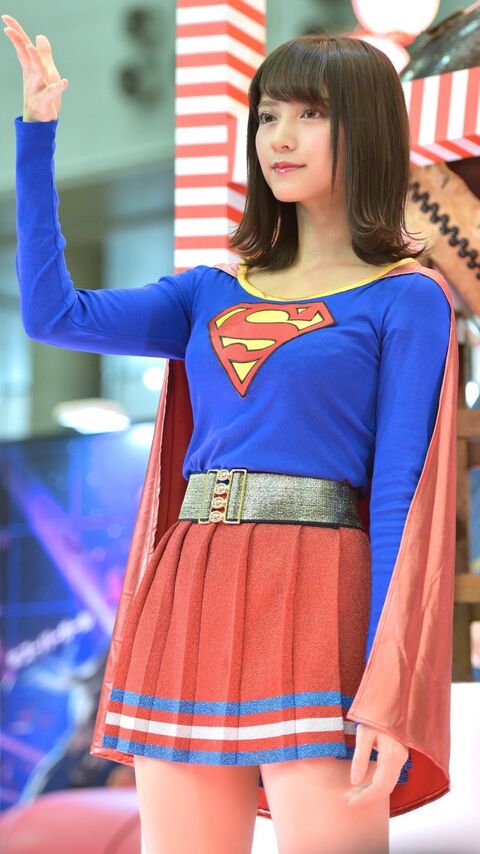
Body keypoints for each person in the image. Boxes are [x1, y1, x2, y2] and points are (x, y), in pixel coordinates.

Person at [4, 15, 458, 854]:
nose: (279, 137)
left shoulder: (407, 297)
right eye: (269, 114)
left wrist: (387, 685)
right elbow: (53, 314)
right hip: (192, 589)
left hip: (320, 594)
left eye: (310, 115)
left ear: (365, 129)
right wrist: (36, 136)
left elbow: (398, 495)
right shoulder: (209, 291)